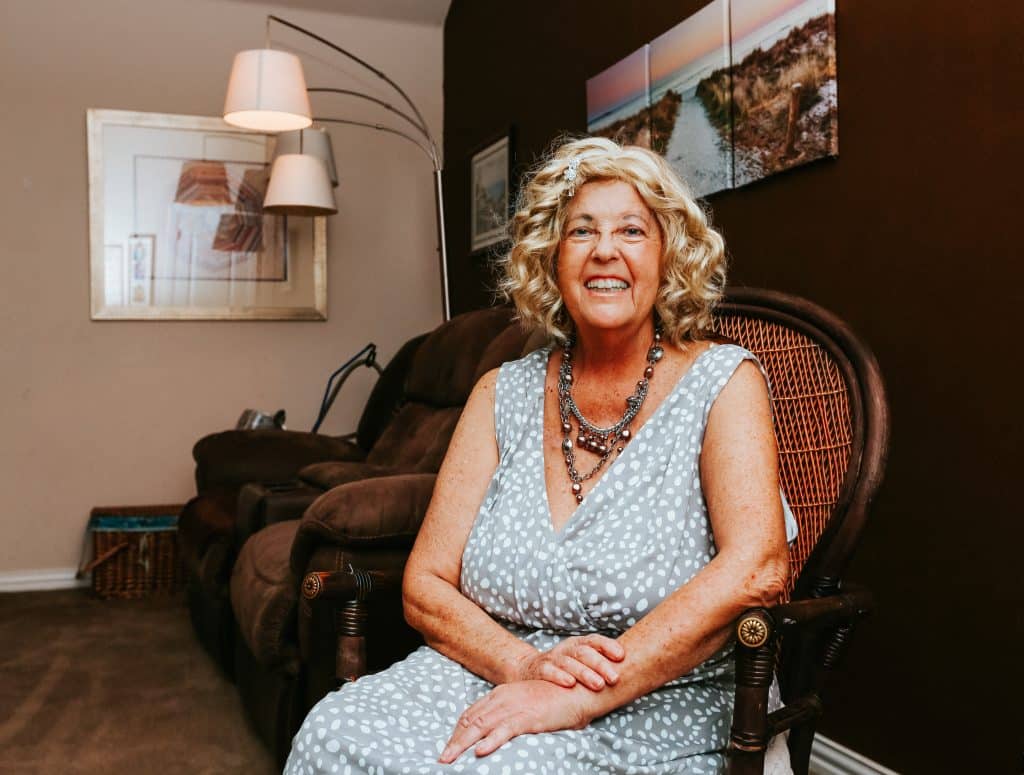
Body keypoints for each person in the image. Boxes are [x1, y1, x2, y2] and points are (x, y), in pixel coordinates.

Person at [285, 136, 798, 774]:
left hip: (659, 693)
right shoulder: (501, 392)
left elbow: (759, 567)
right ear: (552, 260)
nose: (605, 249)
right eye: (582, 231)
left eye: (632, 230)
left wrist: (580, 696)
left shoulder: (723, 383)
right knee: (332, 730)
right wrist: (524, 667)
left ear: (667, 257)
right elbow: (424, 584)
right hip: (490, 670)